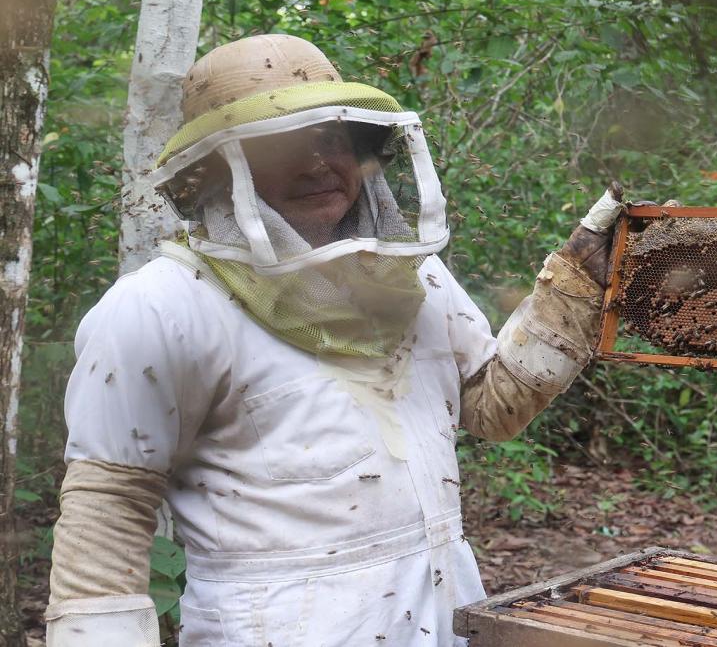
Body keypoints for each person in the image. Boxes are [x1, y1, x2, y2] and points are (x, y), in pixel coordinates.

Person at [44, 34, 625, 646]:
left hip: (445, 617)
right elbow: (107, 515)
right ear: (219, 169)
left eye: (332, 138)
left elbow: (490, 406)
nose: (318, 164)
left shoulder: (412, 274)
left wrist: (577, 284)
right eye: (281, 146)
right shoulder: (160, 307)